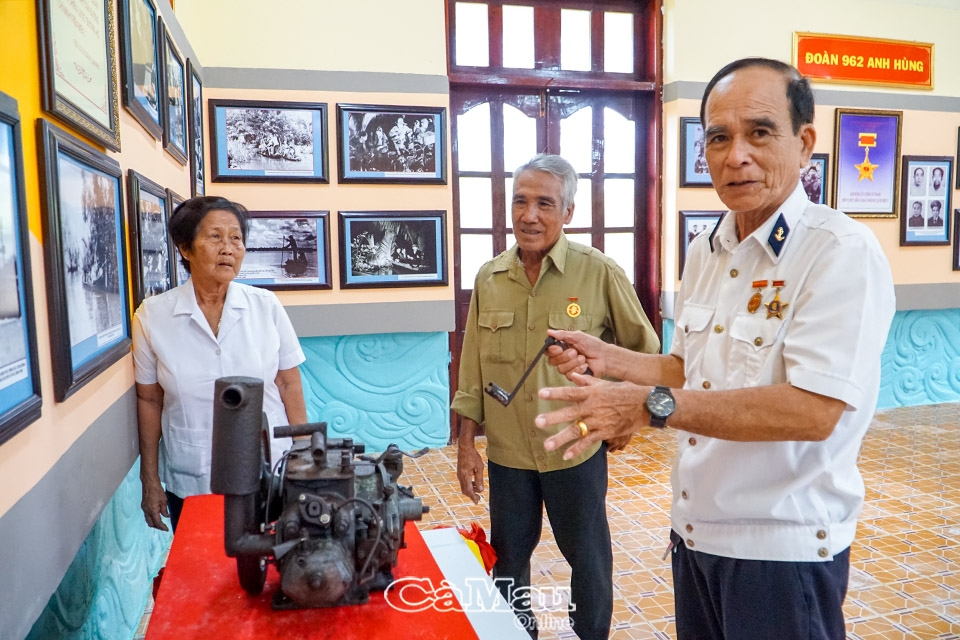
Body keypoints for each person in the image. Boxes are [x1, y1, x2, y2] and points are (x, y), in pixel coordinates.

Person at [536, 58, 895, 640]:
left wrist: (647, 405)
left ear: (804, 144)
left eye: (760, 132)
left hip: (781, 551)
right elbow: (690, 369)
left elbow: (814, 409)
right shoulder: (709, 248)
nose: (736, 156)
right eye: (719, 138)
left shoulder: (838, 253)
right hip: (697, 536)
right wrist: (609, 359)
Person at [452, 154, 659, 639]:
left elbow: (645, 353)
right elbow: (472, 368)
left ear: (567, 212)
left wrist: (622, 415)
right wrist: (466, 445)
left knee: (588, 561)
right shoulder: (490, 278)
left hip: (575, 448)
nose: (529, 215)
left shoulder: (598, 272)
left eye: (545, 203)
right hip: (508, 456)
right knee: (509, 563)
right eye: (521, 201)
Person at [134, 196, 307, 532]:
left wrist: (302, 453)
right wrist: (149, 478)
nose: (228, 248)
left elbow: (288, 383)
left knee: (272, 564)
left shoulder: (265, 306)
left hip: (270, 468)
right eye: (215, 237)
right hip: (193, 474)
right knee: (201, 568)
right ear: (185, 248)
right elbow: (150, 400)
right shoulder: (152, 317)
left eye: (236, 238)